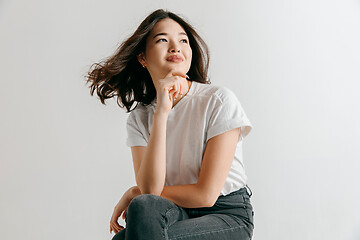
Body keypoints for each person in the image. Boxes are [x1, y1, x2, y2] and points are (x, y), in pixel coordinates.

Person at [85, 8, 254, 240]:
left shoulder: (218, 101)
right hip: (175, 212)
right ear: (142, 58)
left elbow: (206, 195)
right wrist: (162, 113)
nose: (175, 47)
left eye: (183, 40)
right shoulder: (140, 119)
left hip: (226, 215)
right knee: (142, 207)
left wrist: (136, 191)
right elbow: (150, 193)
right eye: (163, 40)